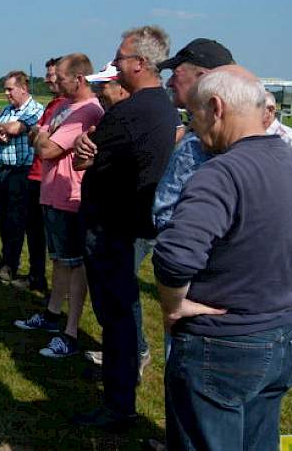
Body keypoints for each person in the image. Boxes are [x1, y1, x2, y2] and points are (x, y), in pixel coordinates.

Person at [153, 66, 292, 450]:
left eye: (193, 115)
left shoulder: (219, 174)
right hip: (283, 342)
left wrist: (174, 306)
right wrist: (279, 277)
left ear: (215, 108)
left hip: (221, 348)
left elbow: (174, 257)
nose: (194, 128)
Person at [72, 26, 179, 431]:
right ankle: (121, 389)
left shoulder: (132, 111)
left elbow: (89, 161)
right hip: (128, 224)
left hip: (114, 229)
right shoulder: (161, 106)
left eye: (119, 57)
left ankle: (119, 404)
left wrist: (87, 153)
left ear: (138, 63)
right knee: (121, 314)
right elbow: (92, 153)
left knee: (116, 318)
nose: (114, 64)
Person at [14, 54, 104, 359]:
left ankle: (71, 331)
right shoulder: (64, 105)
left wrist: (42, 137)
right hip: (52, 192)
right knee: (60, 260)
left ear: (79, 79)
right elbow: (40, 138)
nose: (55, 82)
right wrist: (42, 137)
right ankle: (52, 315)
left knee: (74, 263)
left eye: (61, 78)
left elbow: (48, 147)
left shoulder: (88, 110)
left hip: (71, 196)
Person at [150, 38, 235, 233]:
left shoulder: (210, 139)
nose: (170, 83)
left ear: (202, 77)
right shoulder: (198, 130)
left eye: (175, 74)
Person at [0, 71, 43, 287]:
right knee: (3, 220)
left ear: (23, 89)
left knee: (18, 221)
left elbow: (15, 128)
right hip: (2, 171)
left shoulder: (35, 110)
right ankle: (8, 259)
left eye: (10, 89)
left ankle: (11, 265)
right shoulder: (8, 110)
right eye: (5, 89)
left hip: (23, 172)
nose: (6, 93)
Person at [16, 57, 64, 293]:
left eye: (51, 74)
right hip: (36, 174)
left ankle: (52, 287)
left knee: (49, 236)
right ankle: (37, 276)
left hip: (47, 178)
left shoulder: (65, 105)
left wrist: (38, 134)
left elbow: (44, 141)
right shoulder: (53, 104)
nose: (47, 79)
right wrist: (38, 134)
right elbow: (34, 136)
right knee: (34, 232)